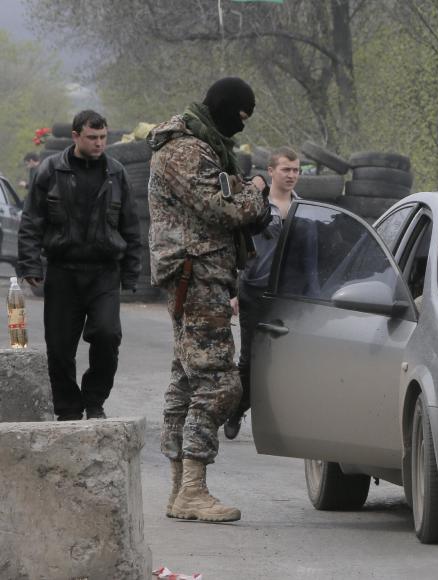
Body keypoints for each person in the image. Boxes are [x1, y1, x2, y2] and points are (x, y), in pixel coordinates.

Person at [147, 77, 269, 523]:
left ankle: (181, 490)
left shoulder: (204, 144)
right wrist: (255, 194)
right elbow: (221, 208)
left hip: (198, 275)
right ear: (224, 108)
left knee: (187, 381)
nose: (240, 128)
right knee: (219, 384)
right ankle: (193, 488)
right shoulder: (186, 149)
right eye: (239, 117)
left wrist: (244, 191)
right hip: (195, 275)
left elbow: (222, 195)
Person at [17, 110, 141, 421]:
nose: (100, 143)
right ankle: (68, 410)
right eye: (92, 137)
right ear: (75, 136)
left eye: (103, 137)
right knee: (59, 349)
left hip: (104, 272)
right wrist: (31, 264)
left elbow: (131, 226)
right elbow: (31, 221)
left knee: (107, 335)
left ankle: (95, 400)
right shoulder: (51, 170)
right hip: (63, 271)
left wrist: (131, 272)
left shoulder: (117, 173)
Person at [224, 146, 301, 440]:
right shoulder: (254, 206)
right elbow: (234, 249)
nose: (292, 175)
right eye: (286, 169)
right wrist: (233, 291)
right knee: (251, 361)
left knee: (286, 360)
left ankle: (280, 418)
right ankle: (235, 410)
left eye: (296, 170)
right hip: (254, 290)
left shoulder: (303, 209)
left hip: (290, 296)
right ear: (271, 172)